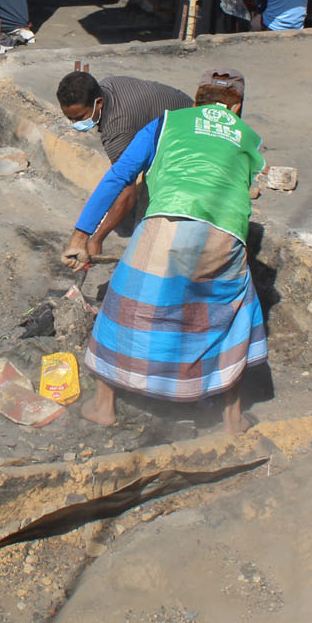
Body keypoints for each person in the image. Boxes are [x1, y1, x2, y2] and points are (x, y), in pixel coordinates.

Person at [61, 72, 267, 433]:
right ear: (236, 107)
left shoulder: (165, 123)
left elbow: (119, 178)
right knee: (232, 316)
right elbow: (240, 191)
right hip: (227, 234)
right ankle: (232, 417)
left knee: (122, 310)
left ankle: (103, 406)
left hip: (168, 226)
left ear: (196, 100)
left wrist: (81, 237)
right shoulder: (247, 138)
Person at [55, 70, 194, 250]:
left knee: (150, 213)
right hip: (185, 107)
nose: (75, 123)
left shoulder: (118, 128)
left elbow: (126, 193)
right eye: (69, 118)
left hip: (187, 137)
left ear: (99, 103)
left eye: (80, 117)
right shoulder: (107, 85)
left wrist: (97, 239)